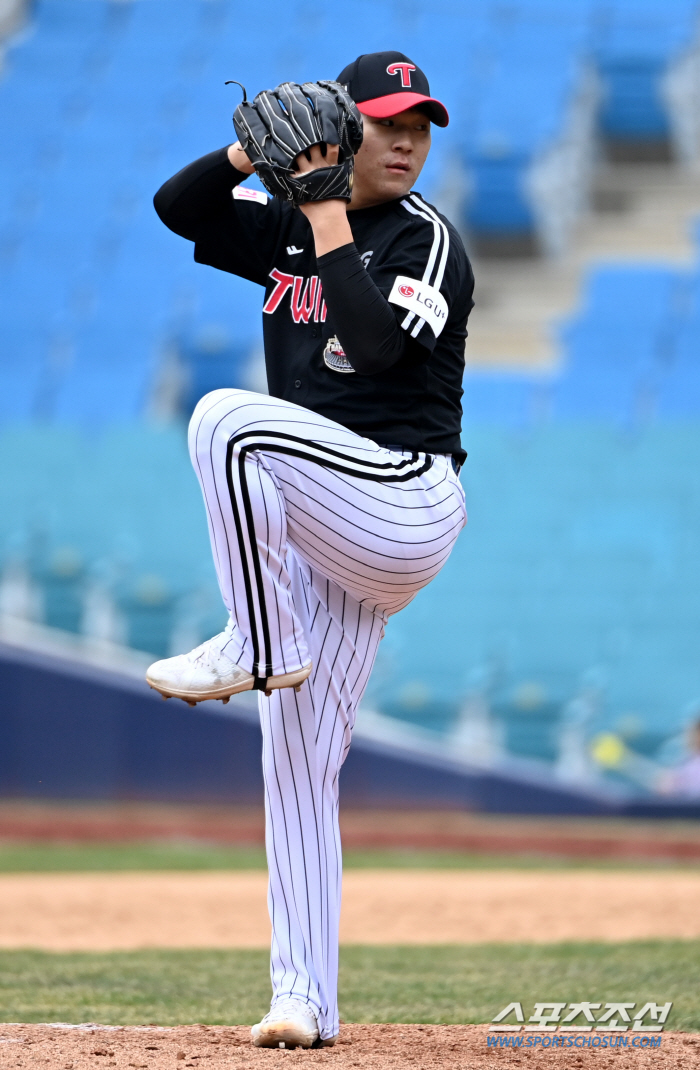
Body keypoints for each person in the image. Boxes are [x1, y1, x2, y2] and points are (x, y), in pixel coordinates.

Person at [149, 50, 473, 1049]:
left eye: (420, 122)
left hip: (401, 501)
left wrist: (326, 212)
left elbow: (376, 349)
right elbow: (179, 206)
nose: (410, 137)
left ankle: (254, 640)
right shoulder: (292, 228)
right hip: (323, 533)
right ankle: (304, 999)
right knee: (294, 762)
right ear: (337, 130)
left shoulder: (427, 241)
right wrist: (251, 150)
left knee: (224, 419)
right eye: (386, 121)